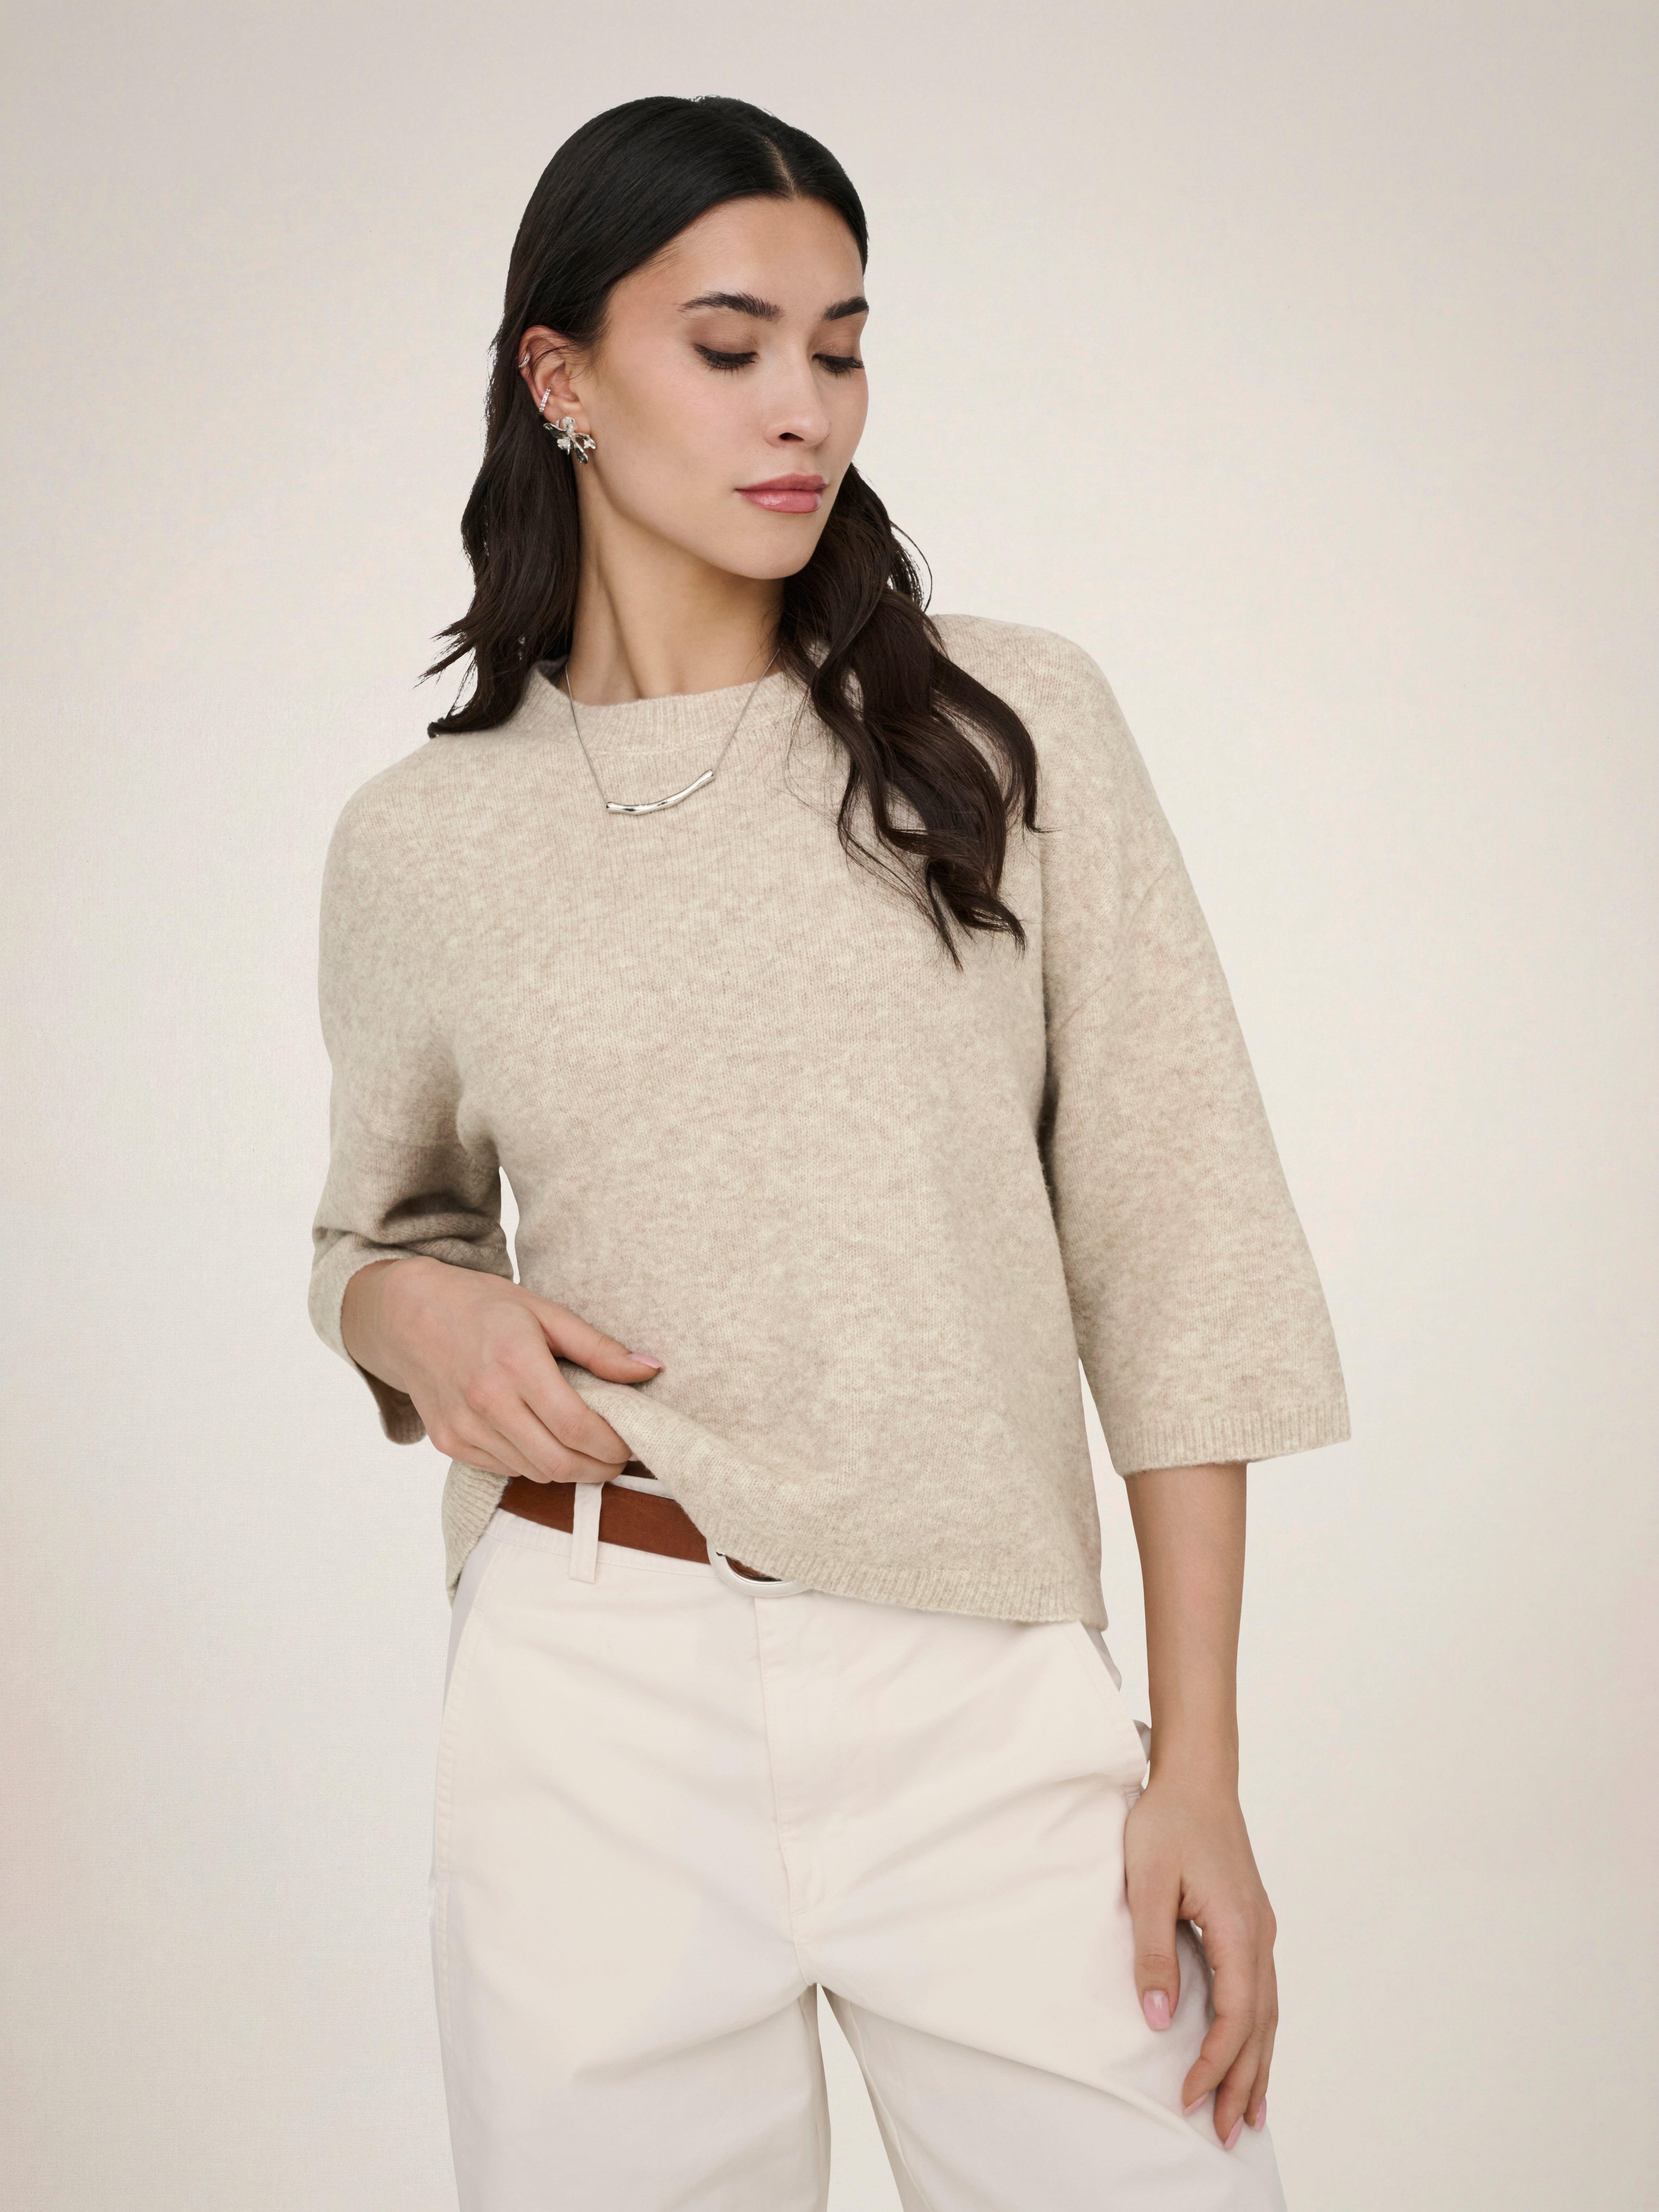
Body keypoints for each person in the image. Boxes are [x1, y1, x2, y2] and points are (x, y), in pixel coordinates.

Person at [307, 93, 1348, 2212]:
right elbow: (376, 1228)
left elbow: (1180, 1246)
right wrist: (411, 1310)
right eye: (730, 345)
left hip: (983, 1689)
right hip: (588, 1687)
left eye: (841, 346)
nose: (804, 407)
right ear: (560, 376)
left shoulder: (1004, 727)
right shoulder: (422, 836)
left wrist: (1200, 1769)